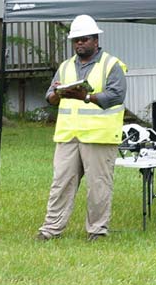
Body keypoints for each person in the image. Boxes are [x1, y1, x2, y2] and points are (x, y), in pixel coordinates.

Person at [37, 14, 128, 241]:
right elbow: (49, 96)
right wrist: (57, 94)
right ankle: (51, 229)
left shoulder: (111, 64)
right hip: (69, 135)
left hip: (99, 136)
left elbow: (116, 96)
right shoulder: (66, 66)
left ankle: (97, 231)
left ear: (96, 40)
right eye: (76, 40)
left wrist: (85, 96)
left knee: (98, 187)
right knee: (60, 184)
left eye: (84, 39)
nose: (79, 43)